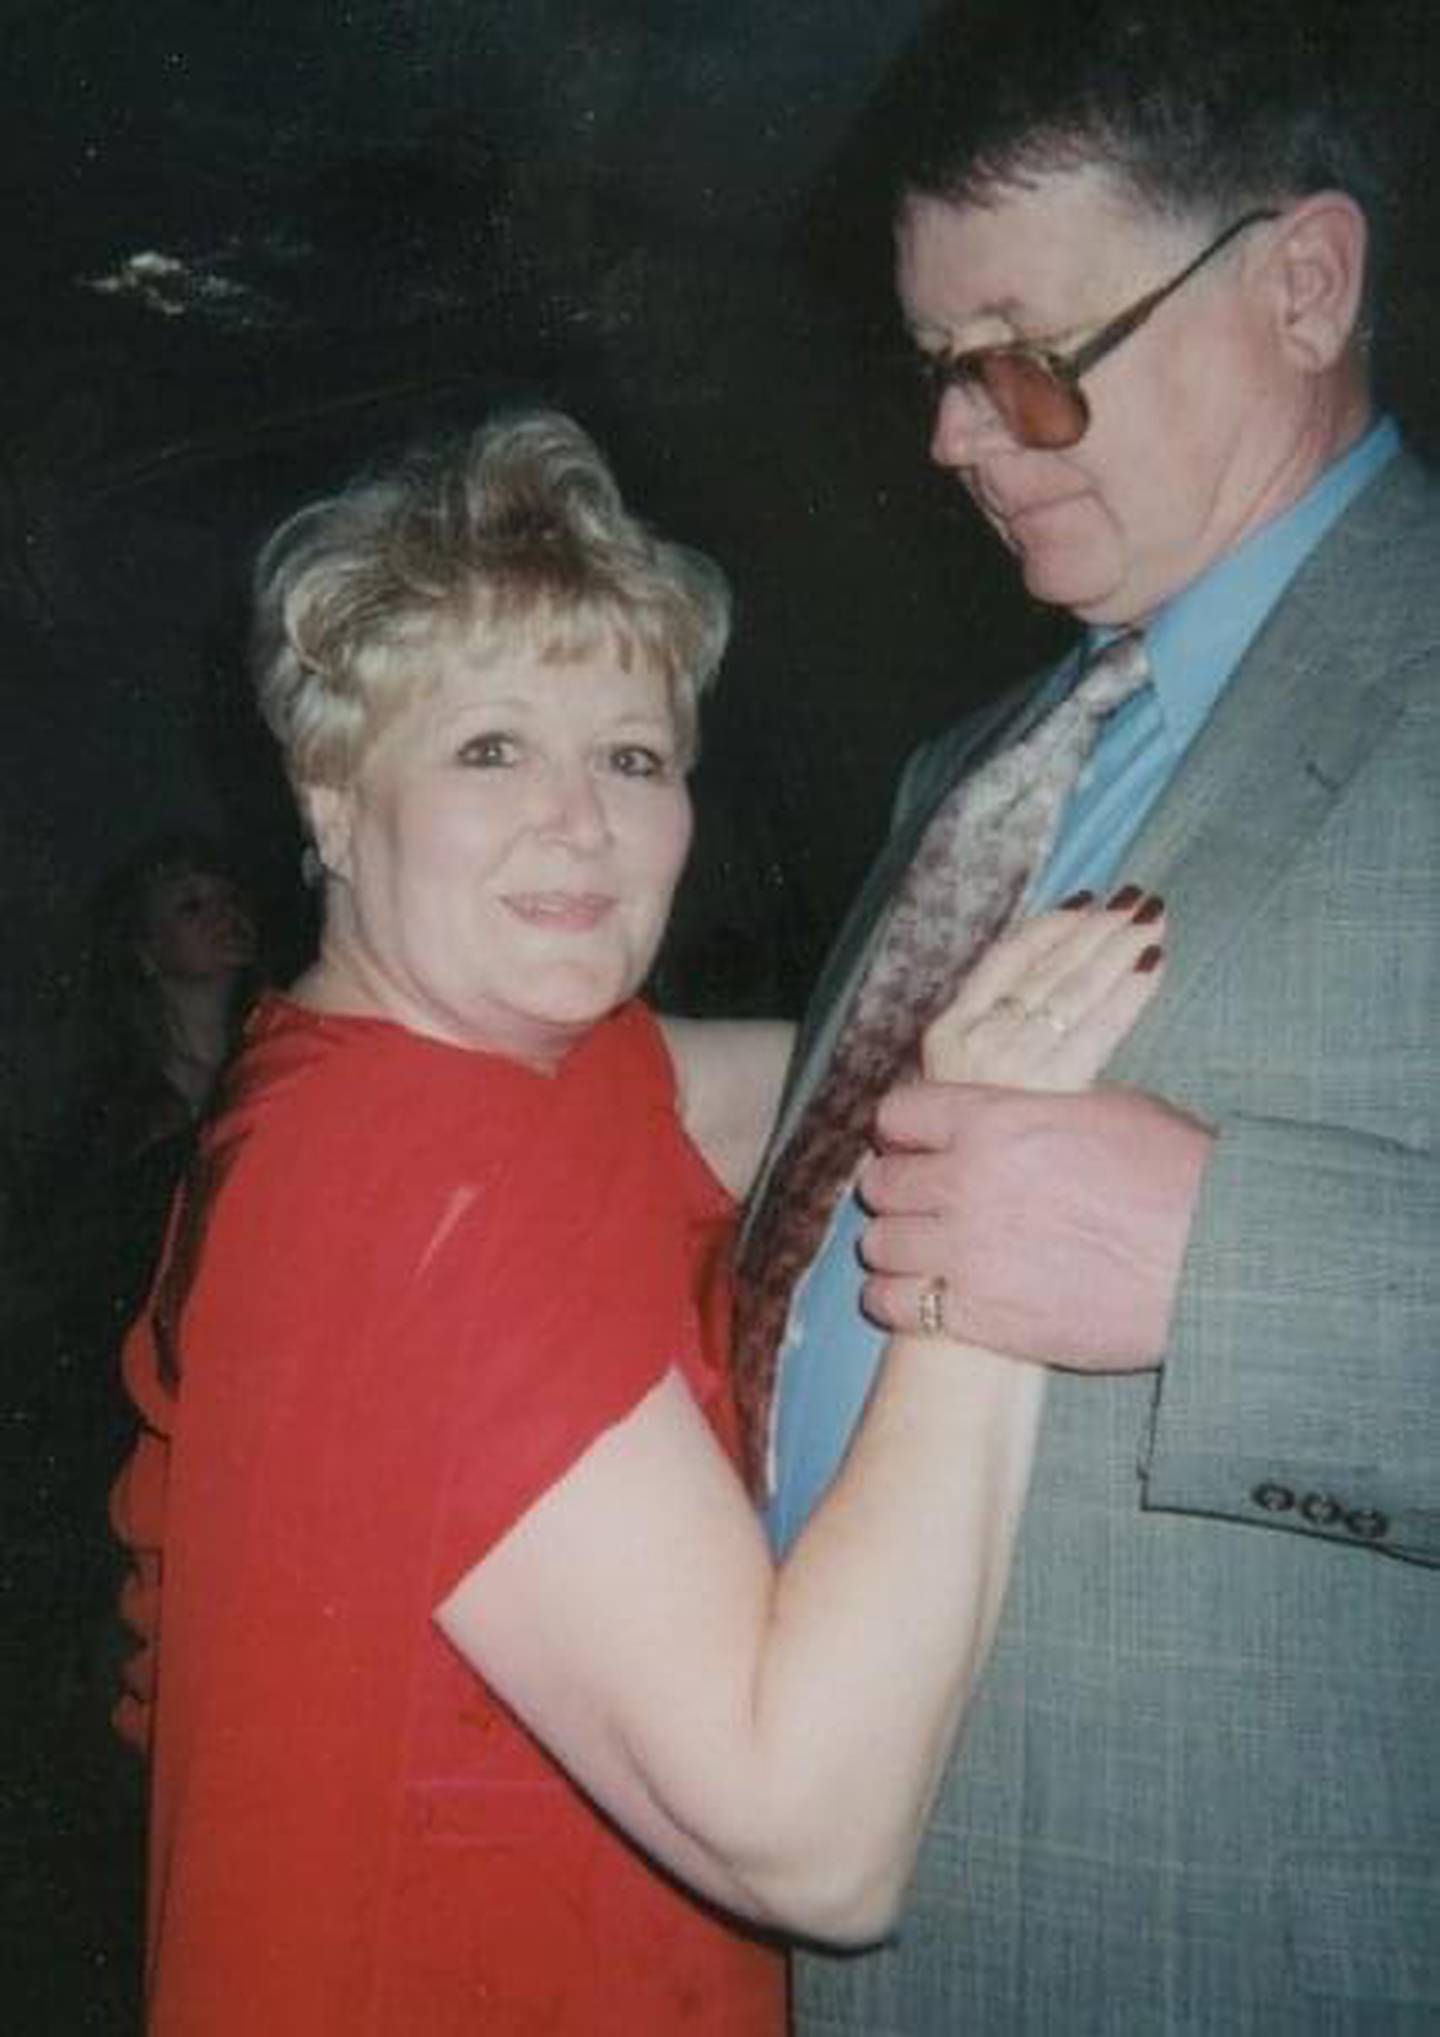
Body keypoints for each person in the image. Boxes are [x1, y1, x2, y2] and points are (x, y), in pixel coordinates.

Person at [110, 408, 1163, 2032]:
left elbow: (782, 1088)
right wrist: (981, 1247)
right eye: (488, 747)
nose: (579, 819)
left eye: (631, 754)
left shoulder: (443, 1063)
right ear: (327, 791)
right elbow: (812, 1837)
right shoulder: (412, 1178)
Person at [745, 3, 1439, 2031]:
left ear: (1304, 281)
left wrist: (1224, 1265)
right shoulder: (980, 760)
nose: (956, 438)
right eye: (941, 371)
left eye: (1027, 361)